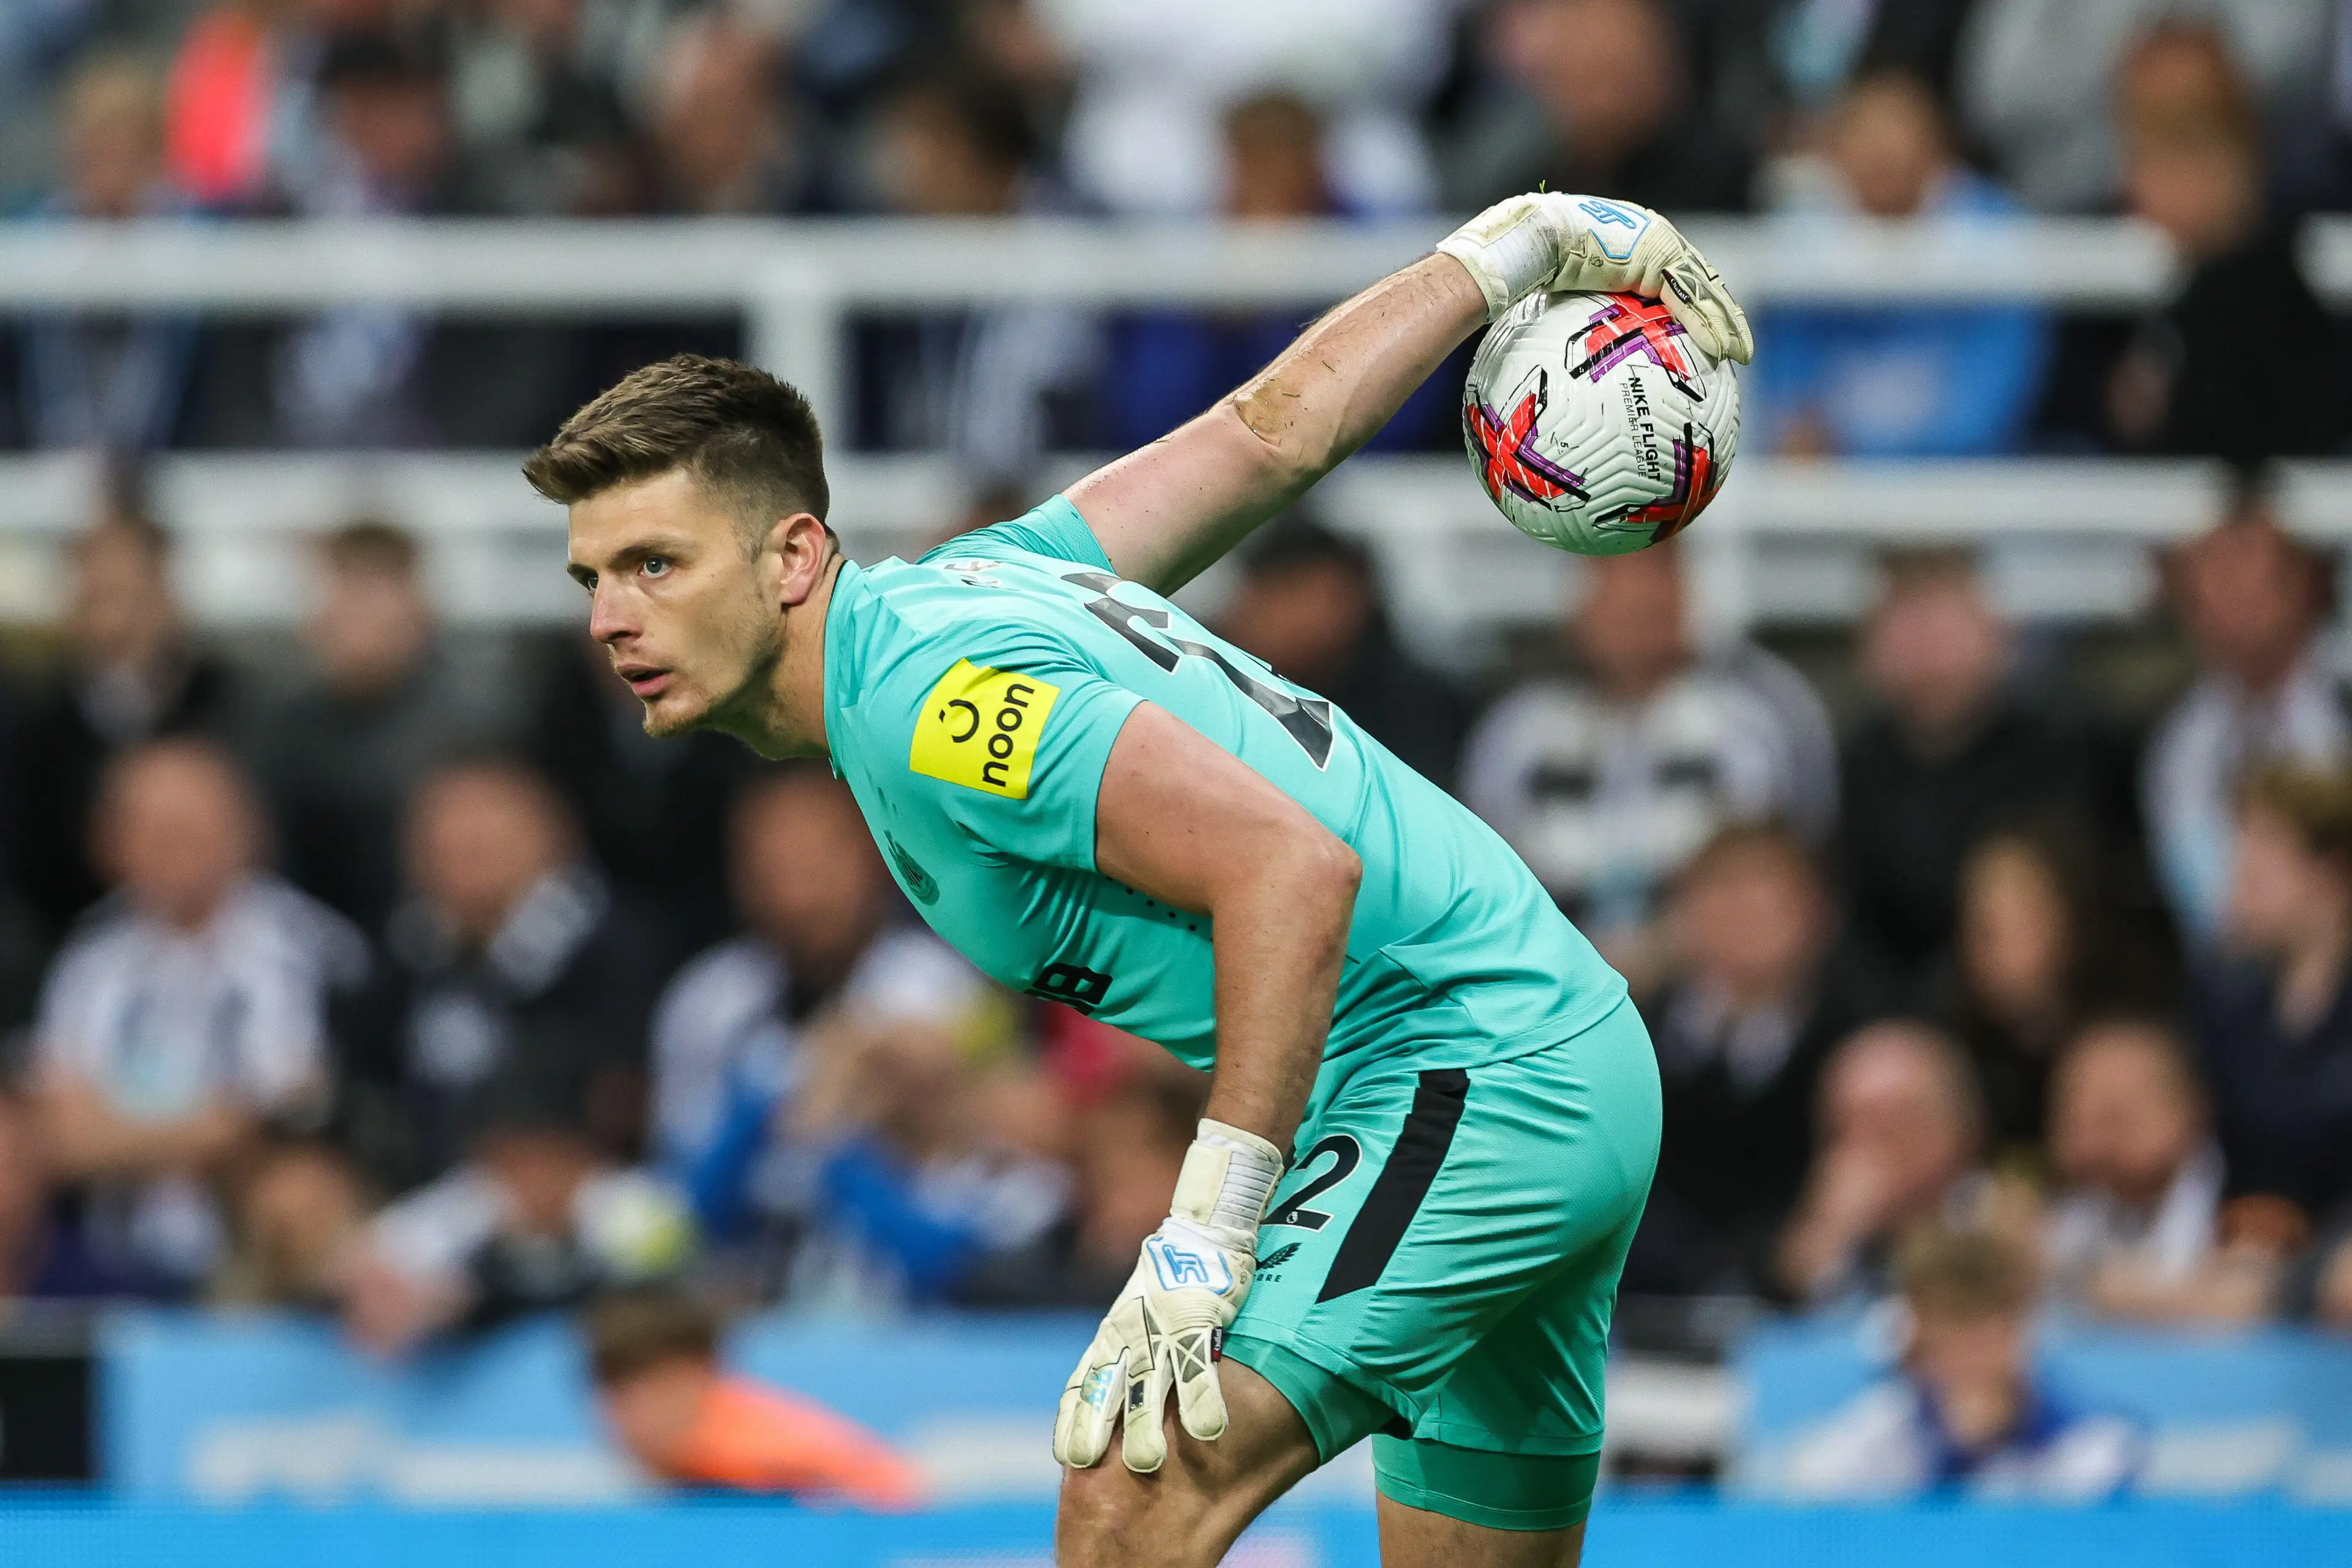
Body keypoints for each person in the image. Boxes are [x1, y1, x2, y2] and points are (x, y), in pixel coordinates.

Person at [529, 187, 1752, 1564]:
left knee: (1132, 1491)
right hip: (1538, 1054)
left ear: (796, 552)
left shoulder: (927, 703)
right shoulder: (980, 580)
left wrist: (1204, 1233)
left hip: (1466, 1072)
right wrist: (1508, 250)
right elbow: (1270, 433)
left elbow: (1292, 865)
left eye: (653, 563)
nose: (611, 616)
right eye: (592, 575)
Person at [649, 767, 1030, 1300]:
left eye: (816, 867)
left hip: (904, 1301)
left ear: (872, 857)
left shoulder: (941, 986)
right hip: (747, 1289)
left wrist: (867, 1082)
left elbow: (983, 1164)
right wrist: (772, 1093)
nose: (798, 899)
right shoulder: (709, 1001)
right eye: (771, 872)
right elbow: (682, 1193)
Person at [27, 739, 366, 1294]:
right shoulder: (89, 959)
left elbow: (283, 1118)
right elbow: (63, 1137)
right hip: (111, 1245)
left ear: (247, 831)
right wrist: (208, 1125)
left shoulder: (312, 949)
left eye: (191, 827)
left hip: (255, 1252)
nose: (172, 847)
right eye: (151, 829)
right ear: (109, 844)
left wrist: (125, 1131)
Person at [1461, 540, 1836, 979]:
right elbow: (1482, 887)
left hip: (1712, 982)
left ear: (1685, 596)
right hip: (1548, 984)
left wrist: (1673, 948)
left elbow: (1798, 875)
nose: (1633, 611)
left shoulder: (1763, 713)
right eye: (1612, 590)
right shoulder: (1516, 731)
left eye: (1651, 588)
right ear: (1577, 604)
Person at [336, 756, 664, 1196]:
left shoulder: (616, 952)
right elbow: (366, 1092)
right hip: (422, 1200)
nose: (468, 841)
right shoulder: (398, 961)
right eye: (447, 826)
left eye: (490, 822)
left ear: (556, 833)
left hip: (586, 1190)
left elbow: (623, 1102)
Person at [1630, 824, 1879, 1297]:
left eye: (1766, 898)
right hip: (1638, 1295)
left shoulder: (1860, 1036)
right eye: (1724, 895)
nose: (1744, 919)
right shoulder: (1629, 1029)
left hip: (1806, 1296)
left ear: (1818, 913)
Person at [1837, 549, 2100, 993]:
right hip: (1895, 1013)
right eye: (1905, 616)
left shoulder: (2067, 752)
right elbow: (1852, 924)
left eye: (1941, 616)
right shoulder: (1856, 766)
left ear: (1999, 633)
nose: (1925, 643)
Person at [1750, 72, 2050, 459]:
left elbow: (1999, 383)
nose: (1883, 153)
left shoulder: (1995, 233)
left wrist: (1899, 464)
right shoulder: (1795, 235)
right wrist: (1800, 429)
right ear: (1836, 150)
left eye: (1899, 133)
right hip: (1826, 491)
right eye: (1866, 134)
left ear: (1939, 146)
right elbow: (1783, 370)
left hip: (1961, 487)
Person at [2101, 24, 2349, 464]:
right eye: (2136, 151)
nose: (2135, 183)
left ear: (2238, 154)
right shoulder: (2098, 312)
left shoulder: (2283, 293)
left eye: (2178, 147)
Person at [251, 520, 512, 933]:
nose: (359, 616)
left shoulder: (476, 729)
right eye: (345, 591)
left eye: (375, 592)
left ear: (419, 608)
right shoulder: (279, 730)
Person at [6, 501, 241, 945]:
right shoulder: (37, 725)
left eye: (130, 592)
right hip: (73, 944)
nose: (116, 616)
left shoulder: (229, 702)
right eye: (98, 594)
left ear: (166, 592)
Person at [1775, 1223, 2143, 1500]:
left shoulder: (2090, 1441)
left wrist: (1978, 1446)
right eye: (1952, 1334)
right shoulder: (1887, 1429)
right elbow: (1809, 1489)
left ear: (2022, 1328)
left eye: (1987, 1333)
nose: (1970, 1356)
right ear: (1919, 1332)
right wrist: (1948, 1447)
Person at [342, 1076, 695, 1357]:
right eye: (508, 1162)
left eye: (540, 1159)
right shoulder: (472, 1206)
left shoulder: (632, 1207)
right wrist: (431, 1300)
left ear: (576, 1155)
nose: (528, 1179)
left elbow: (665, 1302)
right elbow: (362, 1263)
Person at [2143, 502, 2345, 942]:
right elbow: (2196, 890)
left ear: (2305, 585)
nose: (2235, 606)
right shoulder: (2173, 740)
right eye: (2215, 585)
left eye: (2251, 581)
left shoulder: (2343, 708)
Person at [2188, 766, 2352, 1228]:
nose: (2239, 880)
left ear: (2332, 869)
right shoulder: (2225, 1005)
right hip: (2239, 1261)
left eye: (2263, 855)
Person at [584, 1286, 924, 1504]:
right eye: (617, 1396)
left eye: (657, 1390)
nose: (636, 1416)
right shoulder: (684, 1467)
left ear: (707, 1373)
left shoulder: (750, 1457)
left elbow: (885, 1489)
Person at [17, 53, 203, 452]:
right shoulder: (31, 242)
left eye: (123, 143)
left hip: (165, 459)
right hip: (54, 458)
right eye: (94, 143)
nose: (107, 161)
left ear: (155, 150)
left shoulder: (199, 241)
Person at [2042, 1018, 2274, 1324]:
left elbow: (2252, 1300)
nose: (2094, 1139)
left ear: (2189, 1108)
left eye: (2117, 1114)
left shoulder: (2254, 1208)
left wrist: (2108, 1290)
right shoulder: (2067, 1213)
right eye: (2077, 1115)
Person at [1216, 515, 1469, 790]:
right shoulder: (1215, 681)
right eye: (1282, 593)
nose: (1298, 617)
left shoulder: (1418, 706)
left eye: (1311, 592)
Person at [1443, 0, 1754, 214]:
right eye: (1585, 74)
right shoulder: (1520, 187)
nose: (1601, 98)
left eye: (1615, 71)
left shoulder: (1719, 181)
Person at [1774, 1020, 1990, 1306]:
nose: (1860, 1152)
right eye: (1842, 1132)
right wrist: (1828, 1232)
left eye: (1885, 1131)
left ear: (1954, 1130)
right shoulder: (1837, 1227)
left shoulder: (1996, 1223)